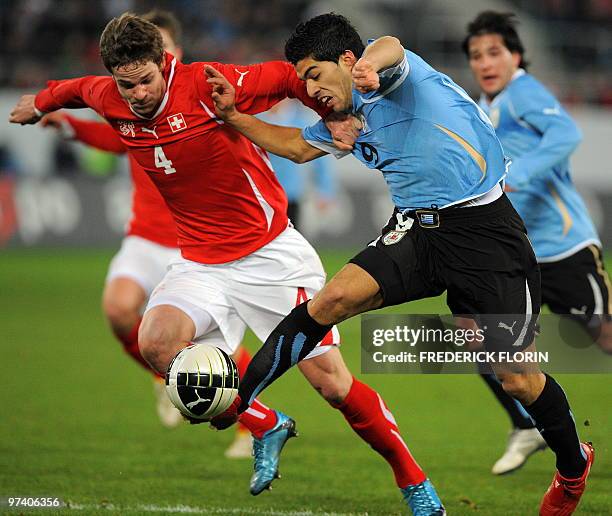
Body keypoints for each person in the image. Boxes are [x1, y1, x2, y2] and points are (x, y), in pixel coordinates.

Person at [9, 13, 443, 512]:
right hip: (200, 263)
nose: (137, 94)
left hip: (270, 257)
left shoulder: (206, 82)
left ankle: (413, 481)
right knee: (156, 343)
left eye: (146, 80)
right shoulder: (109, 94)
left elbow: (286, 76)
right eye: (126, 84)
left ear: (165, 62)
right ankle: (266, 423)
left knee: (334, 386)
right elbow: (75, 89)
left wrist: (335, 117)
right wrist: (39, 103)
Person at [204, 13, 595, 515]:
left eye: (313, 74)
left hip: (485, 233)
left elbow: (390, 46)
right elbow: (297, 148)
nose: (309, 89)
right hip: (415, 230)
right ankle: (242, 397)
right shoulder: (344, 118)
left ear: (346, 59)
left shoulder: (389, 73)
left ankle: (571, 466)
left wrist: (369, 66)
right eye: (301, 79)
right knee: (331, 300)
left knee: (517, 378)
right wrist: (234, 117)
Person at [39, 9, 254, 459]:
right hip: (144, 234)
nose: (139, 81)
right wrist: (68, 123)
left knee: (217, 348)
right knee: (119, 309)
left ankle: (249, 422)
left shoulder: (197, 100)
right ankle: (166, 376)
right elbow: (114, 137)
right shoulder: (133, 108)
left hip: (194, 244)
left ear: (170, 55)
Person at [462, 10, 611, 477]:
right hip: (515, 253)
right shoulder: (482, 108)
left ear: (516, 56)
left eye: (494, 52)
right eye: (475, 55)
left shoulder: (523, 91)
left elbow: (566, 133)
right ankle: (525, 424)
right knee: (474, 334)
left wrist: (516, 177)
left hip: (562, 246)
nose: (485, 63)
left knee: (605, 335)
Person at [259, 99, 337, 230]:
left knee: (290, 237)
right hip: (263, 194)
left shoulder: (301, 121)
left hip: (290, 194)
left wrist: (325, 191)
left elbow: (320, 159)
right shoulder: (256, 120)